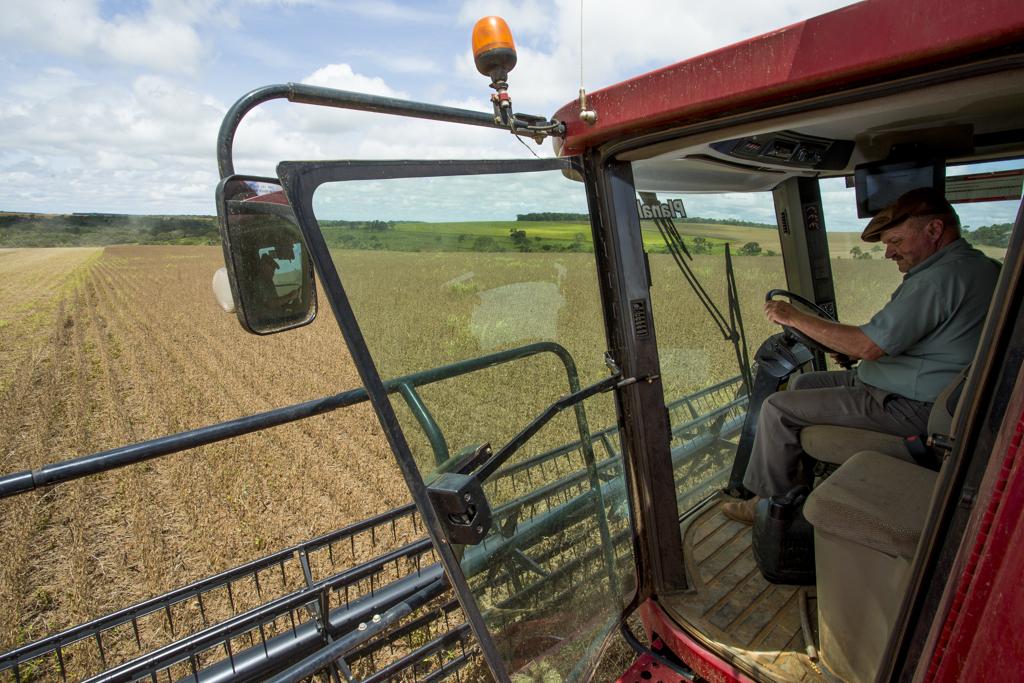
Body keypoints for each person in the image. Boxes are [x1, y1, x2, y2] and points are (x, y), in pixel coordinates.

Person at [722, 186, 1001, 524]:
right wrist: (851, 348)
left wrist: (792, 316)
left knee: (777, 409)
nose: (889, 254)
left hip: (911, 404)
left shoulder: (939, 280)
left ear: (934, 230)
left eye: (896, 242)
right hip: (927, 390)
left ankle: (769, 504)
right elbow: (912, 341)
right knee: (805, 383)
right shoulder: (981, 268)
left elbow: (868, 345)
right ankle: (797, 487)